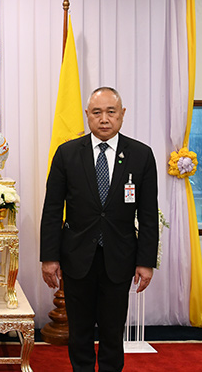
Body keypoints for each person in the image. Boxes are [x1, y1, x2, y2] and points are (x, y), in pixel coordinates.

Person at [40, 87, 159, 372]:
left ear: (122, 114)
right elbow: (53, 209)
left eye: (110, 112)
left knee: (112, 331)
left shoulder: (141, 155)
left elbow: (148, 213)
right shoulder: (67, 153)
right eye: (97, 112)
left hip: (120, 257)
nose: (104, 119)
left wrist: (146, 262)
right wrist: (49, 257)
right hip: (77, 257)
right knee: (79, 331)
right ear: (87, 115)